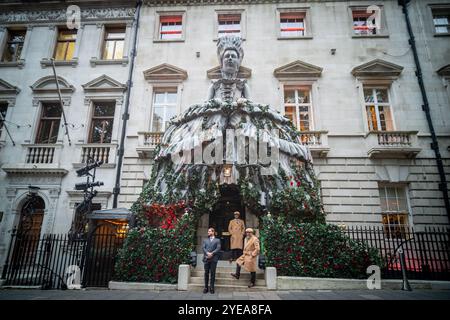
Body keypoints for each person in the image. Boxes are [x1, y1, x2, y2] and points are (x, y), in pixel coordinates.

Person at [202, 227, 221, 294]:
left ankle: (212, 287)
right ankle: (206, 287)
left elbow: (218, 248)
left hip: (214, 259)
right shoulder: (205, 240)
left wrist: (212, 253)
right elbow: (203, 248)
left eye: (209, 231)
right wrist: (207, 253)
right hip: (206, 258)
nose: (208, 232)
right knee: (206, 273)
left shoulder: (217, 240)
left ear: (213, 232)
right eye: (208, 231)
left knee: (212, 273)